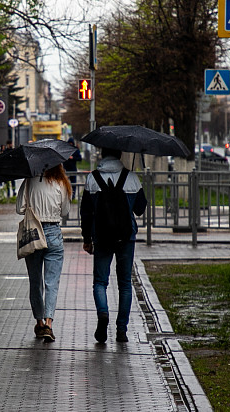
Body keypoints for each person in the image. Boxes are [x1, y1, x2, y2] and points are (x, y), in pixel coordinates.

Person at [80, 147, 147, 343]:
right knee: (125, 284)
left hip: (101, 237)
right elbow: (141, 209)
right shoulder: (131, 177)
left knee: (100, 282)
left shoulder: (92, 178)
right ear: (119, 155)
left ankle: (103, 314)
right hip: (126, 238)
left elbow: (86, 213)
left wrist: (86, 239)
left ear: (102, 155)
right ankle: (121, 331)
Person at [16, 164, 71, 343]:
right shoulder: (61, 183)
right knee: (52, 283)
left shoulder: (30, 180)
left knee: (35, 281)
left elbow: (19, 209)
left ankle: (39, 323)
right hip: (54, 233)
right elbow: (65, 211)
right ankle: (49, 323)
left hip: (34, 233)